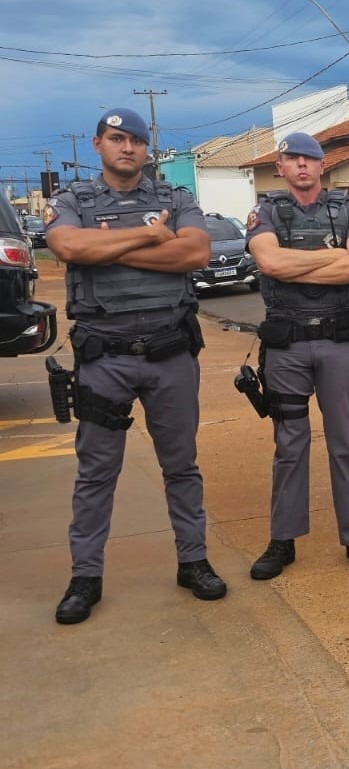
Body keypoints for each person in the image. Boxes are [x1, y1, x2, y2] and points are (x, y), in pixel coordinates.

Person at [44, 108, 224, 624]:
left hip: (170, 354)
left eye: (137, 141)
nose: (128, 148)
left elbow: (194, 253)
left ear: (148, 149)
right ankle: (85, 577)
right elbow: (67, 246)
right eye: (117, 139)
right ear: (98, 143)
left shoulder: (175, 198)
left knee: (181, 466)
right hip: (106, 356)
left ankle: (193, 561)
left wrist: (107, 250)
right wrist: (149, 238)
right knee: (97, 471)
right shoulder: (73, 200)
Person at [243, 132, 349, 579]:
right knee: (289, 446)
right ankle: (282, 540)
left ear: (323, 166)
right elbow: (269, 264)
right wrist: (330, 257)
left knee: (346, 445)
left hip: (339, 343)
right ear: (280, 167)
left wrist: (296, 260)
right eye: (293, 159)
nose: (302, 165)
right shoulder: (265, 212)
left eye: (310, 159)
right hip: (287, 346)